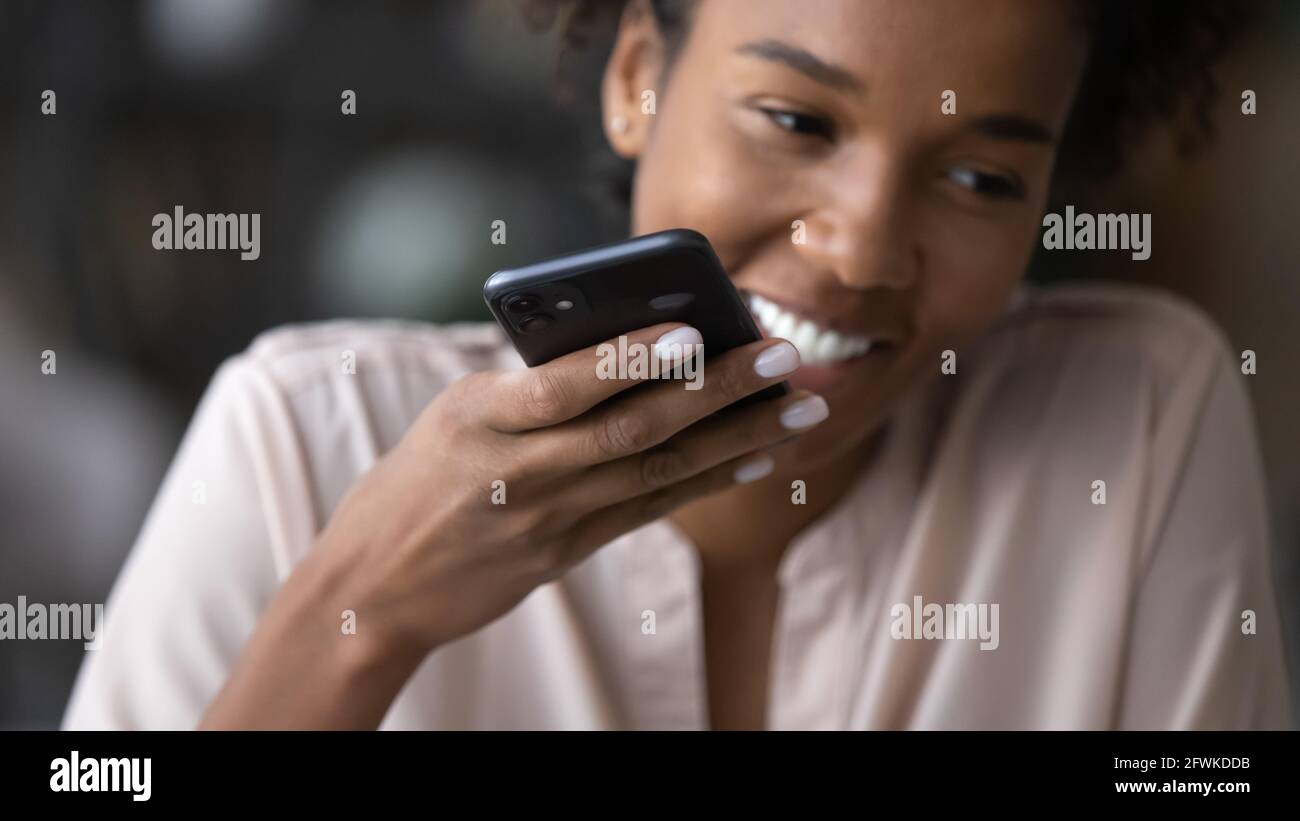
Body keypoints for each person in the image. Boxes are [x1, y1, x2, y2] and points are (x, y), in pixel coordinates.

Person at [64, 0, 1290, 730]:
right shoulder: (296, 434)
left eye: (981, 178)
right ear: (639, 79)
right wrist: (360, 617)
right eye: (798, 121)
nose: (859, 250)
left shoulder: (1135, 418)